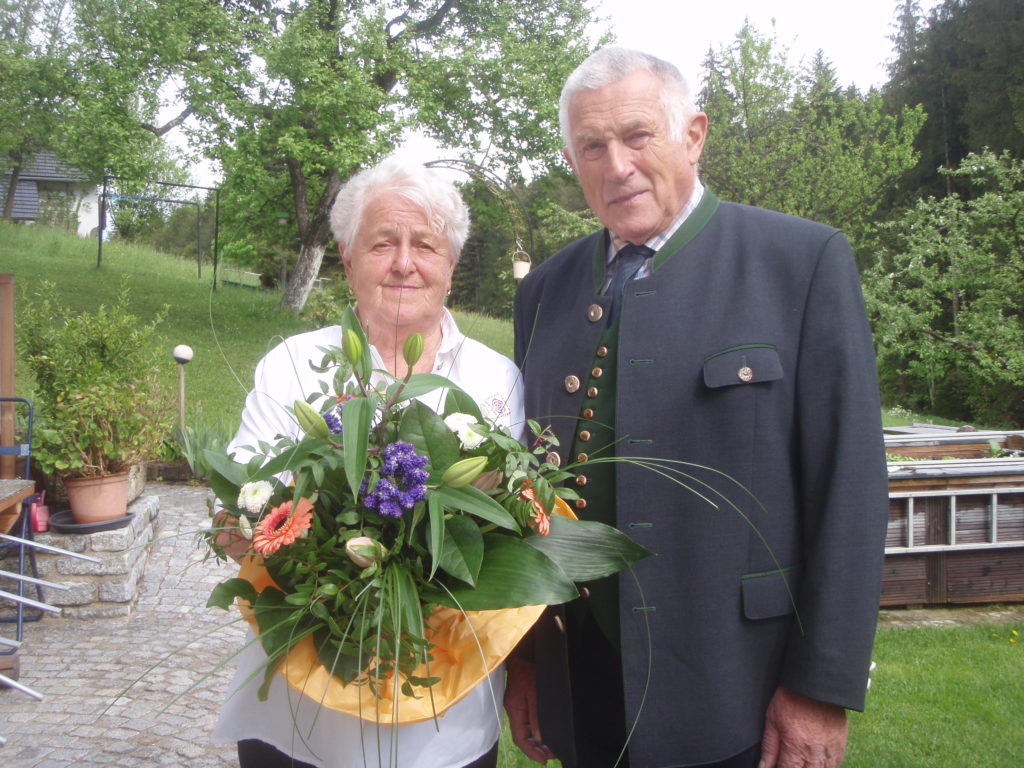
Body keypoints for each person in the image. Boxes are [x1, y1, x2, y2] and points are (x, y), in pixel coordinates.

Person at [506, 47, 889, 768]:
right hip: (580, 682)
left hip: (732, 684)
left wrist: (822, 685)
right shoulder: (546, 291)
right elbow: (523, 490)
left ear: (695, 134)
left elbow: (851, 489)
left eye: (638, 135)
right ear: (571, 158)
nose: (616, 164)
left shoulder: (799, 264)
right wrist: (524, 661)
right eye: (592, 146)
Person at [212, 156, 523, 768]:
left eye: (425, 246)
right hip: (300, 718)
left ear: (451, 267)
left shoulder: (497, 378)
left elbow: (504, 533)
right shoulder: (294, 366)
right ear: (348, 261)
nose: (405, 262)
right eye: (383, 243)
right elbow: (244, 509)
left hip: (445, 723)